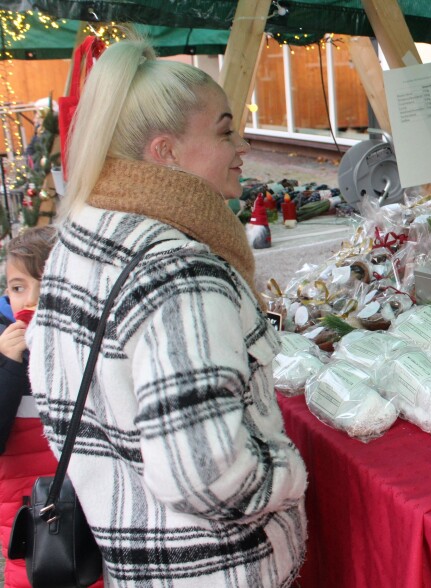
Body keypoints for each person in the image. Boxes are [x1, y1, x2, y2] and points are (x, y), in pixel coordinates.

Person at [26, 38, 307, 586]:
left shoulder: (81, 237)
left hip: (138, 558)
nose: (242, 146)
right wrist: (293, 471)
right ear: (166, 152)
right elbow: (209, 478)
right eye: (225, 131)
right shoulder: (180, 270)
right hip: (215, 570)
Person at [0, 226, 66, 588]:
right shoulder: (4, 351)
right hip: (30, 522)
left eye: (46, 285)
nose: (29, 301)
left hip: (89, 510)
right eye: (17, 287)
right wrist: (9, 364)